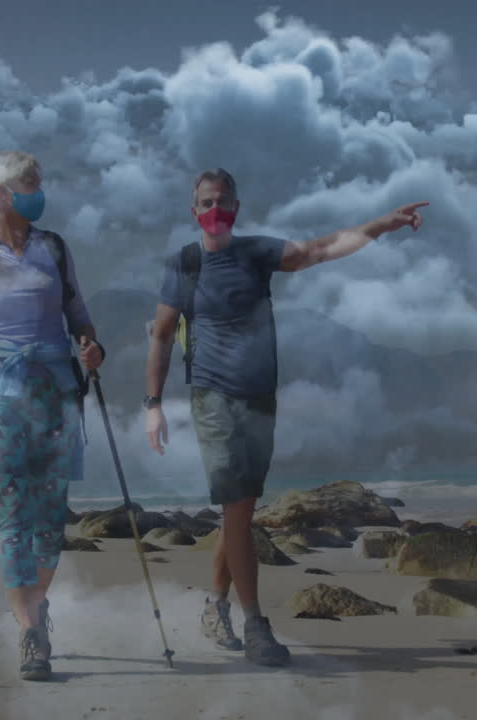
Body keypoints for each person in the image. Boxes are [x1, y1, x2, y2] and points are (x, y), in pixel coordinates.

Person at [143, 168, 427, 666]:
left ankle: (215, 606)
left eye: (223, 201)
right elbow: (163, 335)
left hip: (259, 400)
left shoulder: (255, 254)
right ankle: (255, 623)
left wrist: (381, 224)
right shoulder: (184, 265)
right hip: (213, 400)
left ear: (236, 206)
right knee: (235, 507)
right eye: (206, 202)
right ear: (194, 211)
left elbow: (318, 250)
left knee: (241, 514)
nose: (215, 209)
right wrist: (152, 405)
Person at [0, 150, 104, 682]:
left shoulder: (54, 247)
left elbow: (77, 314)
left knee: (51, 517)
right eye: (32, 182)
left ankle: (34, 604)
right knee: (14, 512)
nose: (40, 190)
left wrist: (90, 345)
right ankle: (31, 632)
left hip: (54, 388)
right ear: (4, 193)